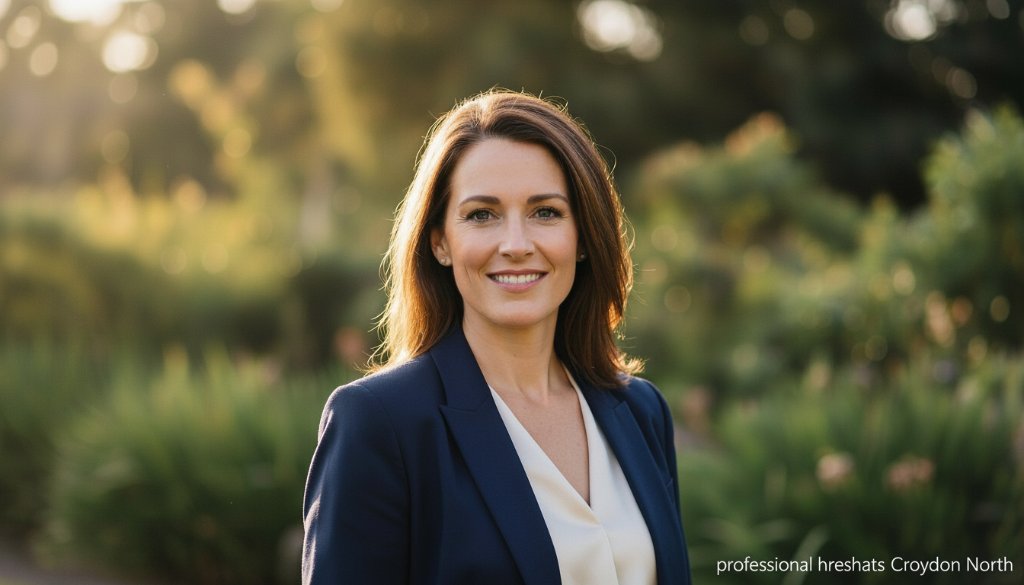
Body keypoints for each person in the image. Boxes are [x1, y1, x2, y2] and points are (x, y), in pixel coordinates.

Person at [302, 90, 692, 585]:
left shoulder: (640, 411)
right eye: (481, 215)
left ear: (584, 237)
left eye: (545, 212)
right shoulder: (381, 424)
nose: (515, 245)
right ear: (440, 241)